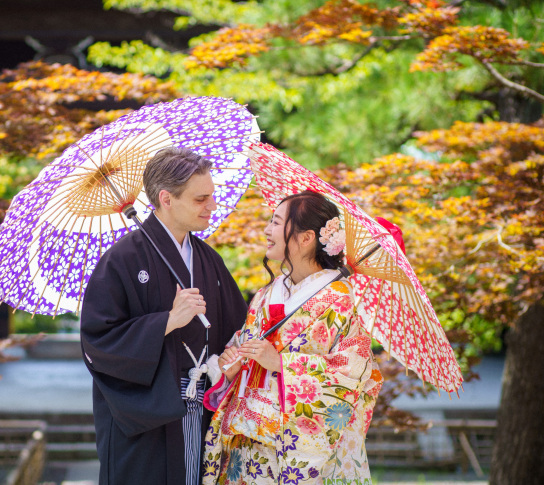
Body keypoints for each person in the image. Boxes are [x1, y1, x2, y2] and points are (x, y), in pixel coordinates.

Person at [80, 147, 249, 485]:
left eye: (211, 196)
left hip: (204, 405)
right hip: (148, 413)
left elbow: (239, 328)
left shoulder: (208, 260)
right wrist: (167, 321)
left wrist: (230, 358)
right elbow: (97, 341)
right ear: (166, 199)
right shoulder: (122, 260)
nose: (212, 206)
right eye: (201, 199)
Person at [201, 190, 383, 485]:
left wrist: (282, 364)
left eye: (276, 222)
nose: (266, 230)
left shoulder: (339, 300)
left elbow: (354, 371)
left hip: (296, 446)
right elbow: (241, 348)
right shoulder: (265, 295)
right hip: (245, 441)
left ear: (306, 238)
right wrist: (231, 364)